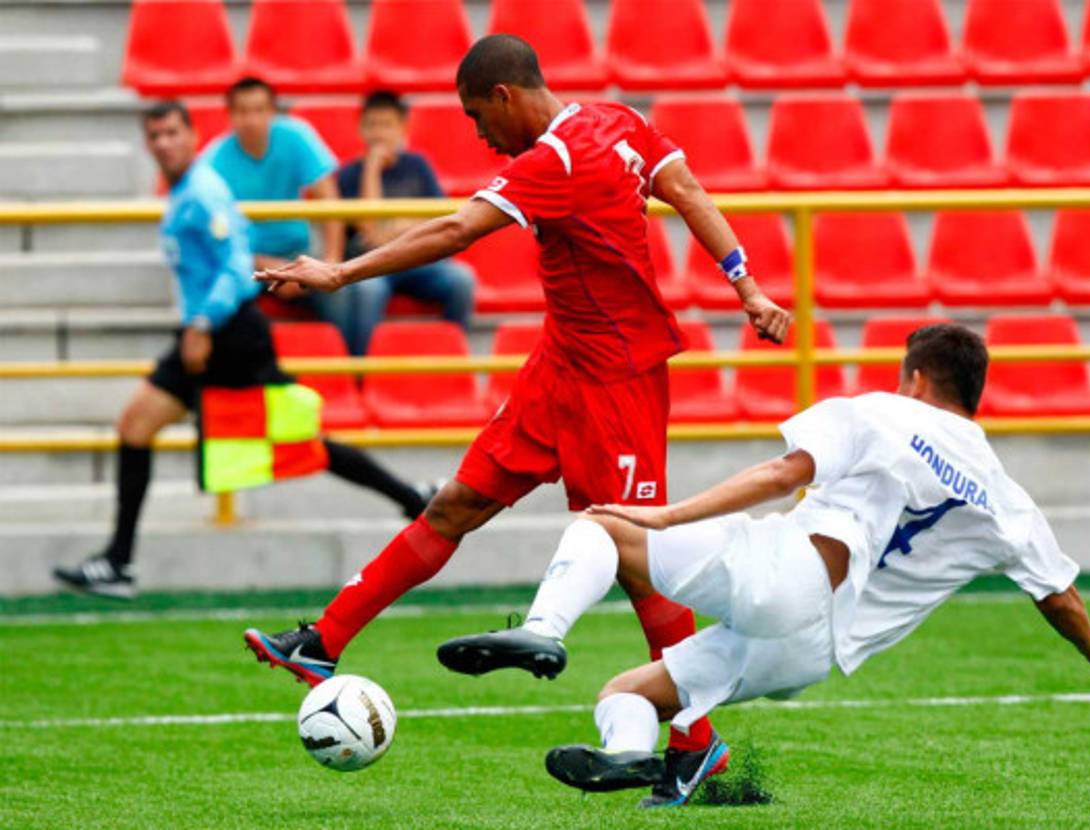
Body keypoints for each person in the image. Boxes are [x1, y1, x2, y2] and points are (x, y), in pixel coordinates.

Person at [242, 34, 792, 791]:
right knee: (456, 503)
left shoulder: (556, 160)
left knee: (640, 562)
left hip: (618, 382)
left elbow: (456, 232)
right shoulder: (618, 120)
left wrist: (339, 271)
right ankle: (324, 640)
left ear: (504, 97)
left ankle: (694, 740)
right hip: (557, 370)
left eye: (476, 118)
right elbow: (690, 193)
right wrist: (747, 286)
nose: (478, 136)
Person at [438, 323, 1090, 808]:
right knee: (626, 693)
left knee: (603, 525)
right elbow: (1057, 593)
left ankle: (544, 628)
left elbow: (783, 472)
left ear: (918, 380)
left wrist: (668, 514)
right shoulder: (1004, 495)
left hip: (793, 575)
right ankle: (656, 757)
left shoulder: (885, 415)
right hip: (815, 648)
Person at [52, 102, 435, 600]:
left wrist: (203, 325)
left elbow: (234, 266)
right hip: (213, 332)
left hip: (226, 334)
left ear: (192, 136)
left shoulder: (204, 192)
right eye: (155, 136)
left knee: (297, 439)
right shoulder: (188, 191)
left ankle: (413, 499)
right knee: (144, 427)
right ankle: (118, 561)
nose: (163, 143)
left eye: (172, 132)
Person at [331, 90, 476, 355]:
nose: (379, 133)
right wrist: (372, 168)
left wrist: (397, 227)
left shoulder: (418, 165)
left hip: (417, 259)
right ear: (361, 129)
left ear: (401, 128)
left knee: (462, 280)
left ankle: (453, 357)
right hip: (373, 266)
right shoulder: (350, 174)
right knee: (366, 292)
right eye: (372, 125)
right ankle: (360, 373)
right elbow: (368, 224)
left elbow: (441, 216)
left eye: (386, 125)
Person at [202, 77, 348, 333]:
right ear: (230, 115)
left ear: (272, 111)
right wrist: (268, 266)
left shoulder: (296, 135)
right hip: (244, 262)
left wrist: (331, 264)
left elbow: (328, 197)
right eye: (243, 111)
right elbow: (214, 236)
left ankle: (354, 370)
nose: (251, 120)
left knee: (347, 296)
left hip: (301, 251)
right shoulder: (213, 161)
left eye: (259, 110)